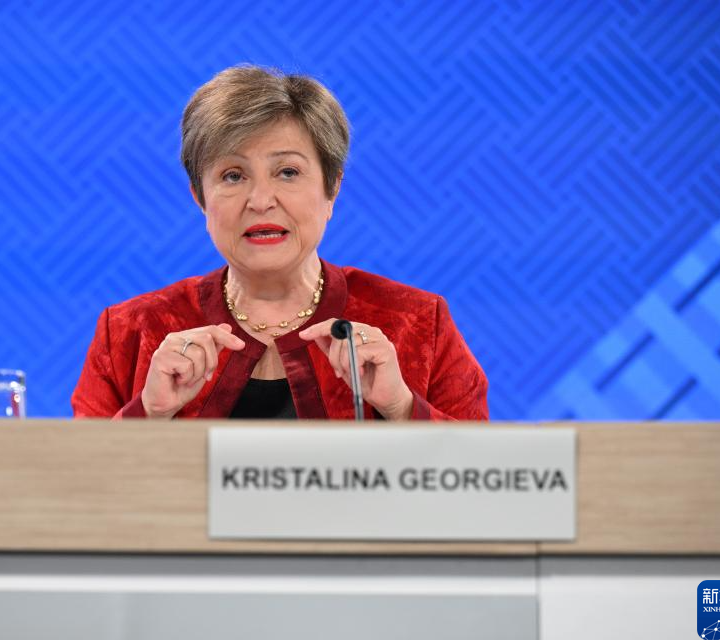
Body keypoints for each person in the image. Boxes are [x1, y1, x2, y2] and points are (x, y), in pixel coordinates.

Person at [72, 65, 487, 421]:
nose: (260, 200)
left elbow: (483, 476)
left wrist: (401, 407)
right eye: (233, 175)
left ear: (331, 188)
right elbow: (75, 481)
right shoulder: (130, 332)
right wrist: (148, 414)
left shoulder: (416, 323)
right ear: (200, 197)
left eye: (287, 172)